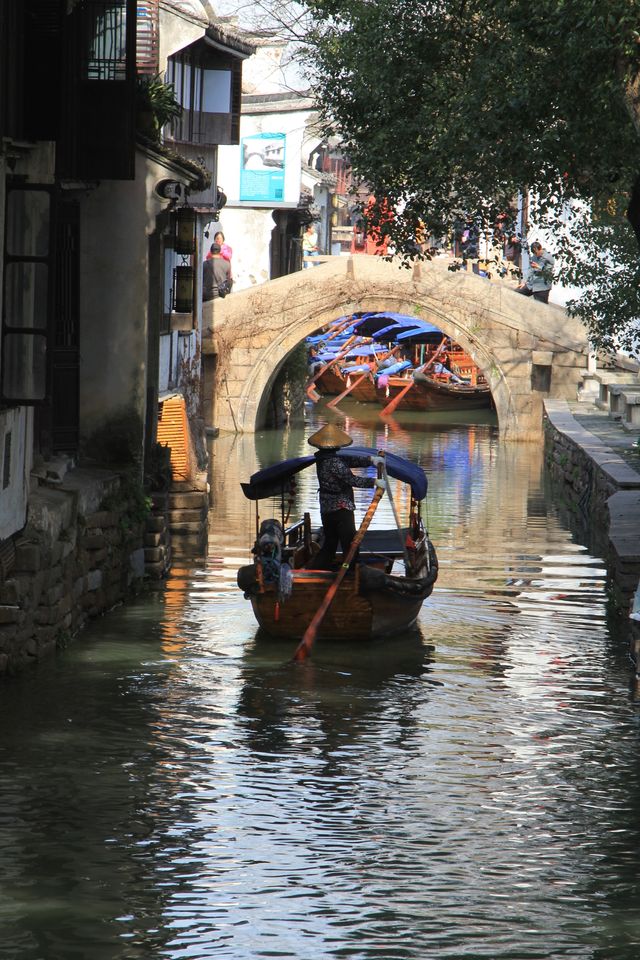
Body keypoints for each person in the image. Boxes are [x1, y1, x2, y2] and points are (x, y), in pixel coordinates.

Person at [306, 423, 385, 570]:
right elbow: (353, 480)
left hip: (327, 508)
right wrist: (374, 481)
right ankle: (349, 573)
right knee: (350, 544)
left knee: (330, 543)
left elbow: (349, 460)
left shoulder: (323, 458)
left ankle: (319, 570)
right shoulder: (334, 463)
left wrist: (370, 460)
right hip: (341, 509)